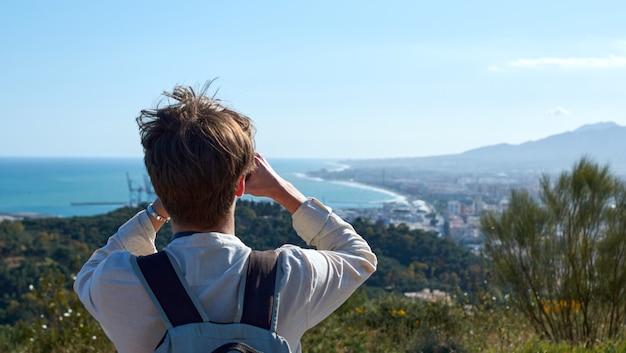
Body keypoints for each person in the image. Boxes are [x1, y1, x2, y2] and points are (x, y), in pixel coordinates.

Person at [73, 83, 377, 353]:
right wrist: (284, 192)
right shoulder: (291, 276)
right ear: (241, 184)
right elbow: (358, 256)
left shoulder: (118, 283)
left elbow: (89, 272)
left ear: (160, 186)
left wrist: (156, 211)